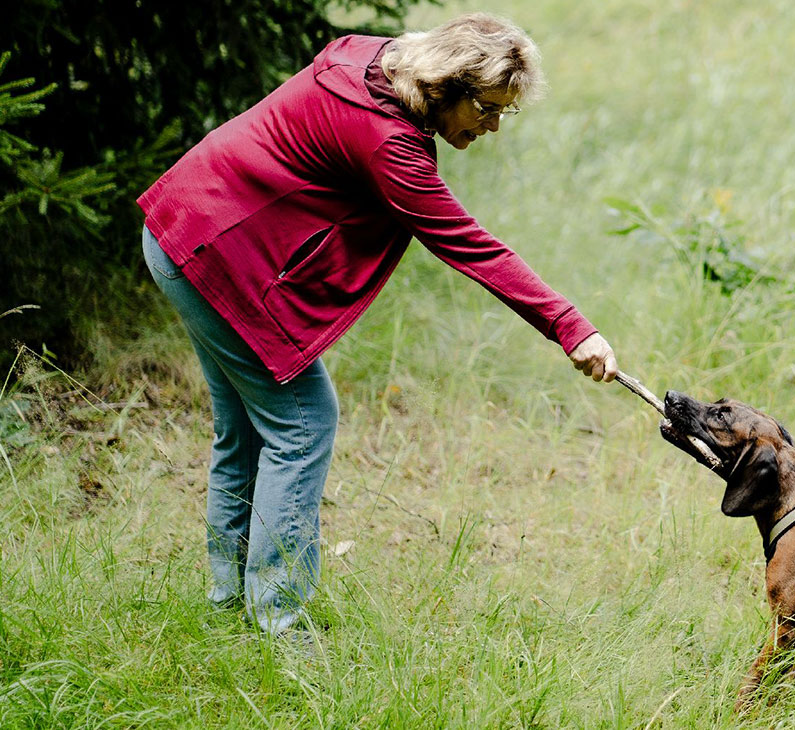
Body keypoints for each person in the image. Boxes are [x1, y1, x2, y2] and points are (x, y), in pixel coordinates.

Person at [137, 13, 617, 636]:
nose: (494, 126)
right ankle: (280, 623)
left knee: (246, 432)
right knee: (303, 426)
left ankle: (227, 605)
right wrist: (570, 325)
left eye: (506, 113)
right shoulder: (388, 143)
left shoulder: (370, 59)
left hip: (181, 229)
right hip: (213, 256)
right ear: (447, 85)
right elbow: (470, 246)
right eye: (488, 108)